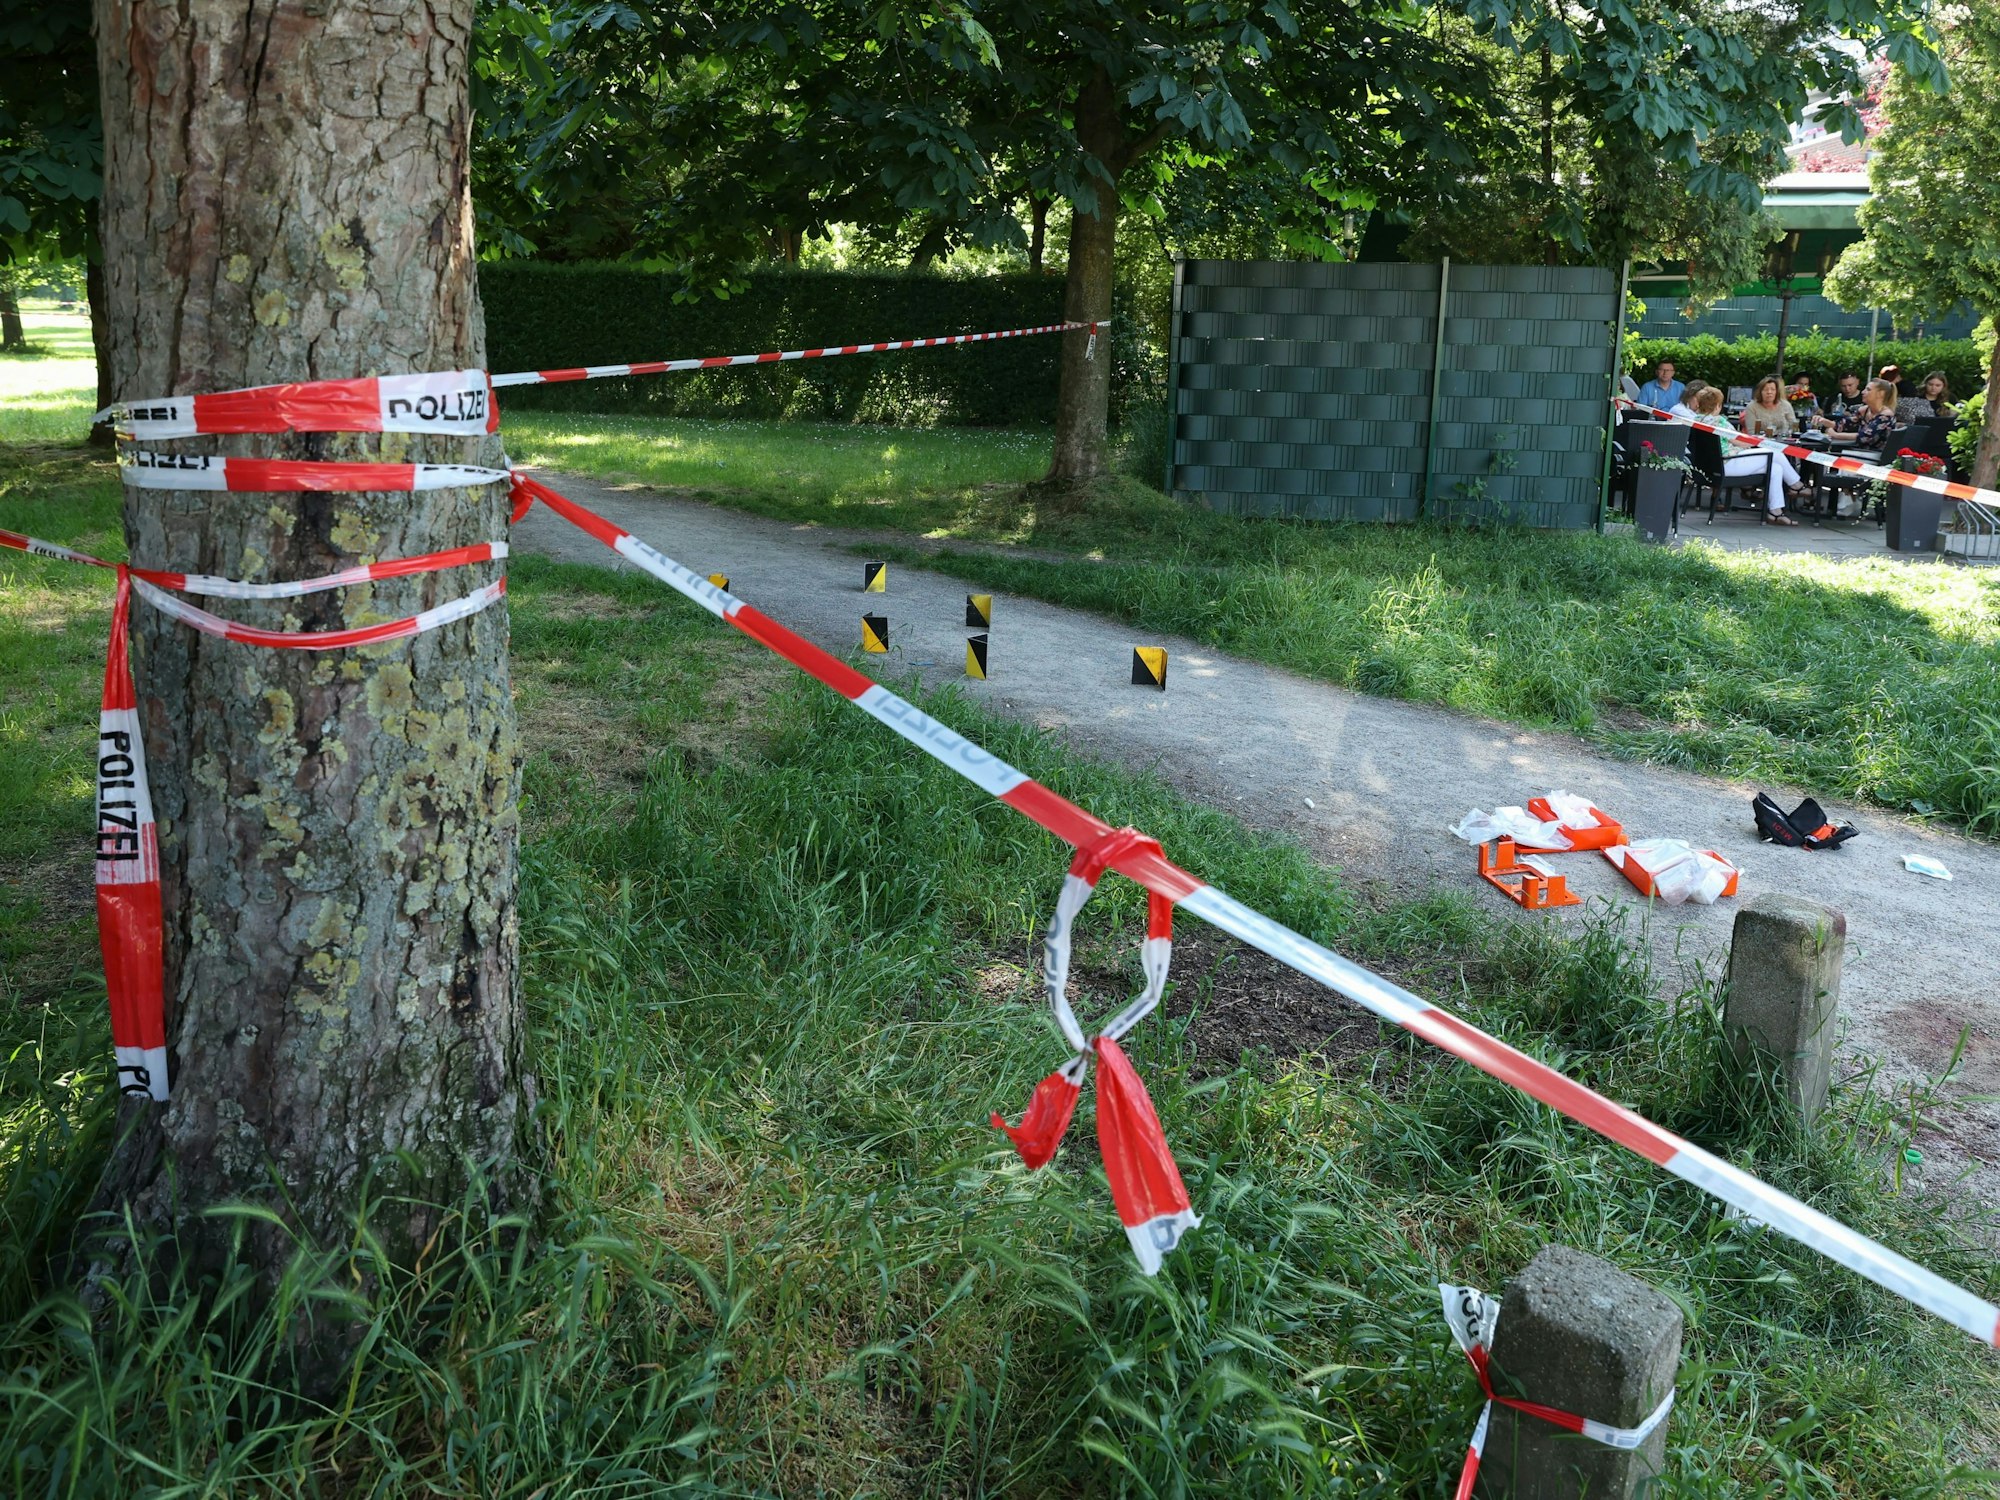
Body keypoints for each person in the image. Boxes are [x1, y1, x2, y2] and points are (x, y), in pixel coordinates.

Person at [1689, 386, 1804, 525]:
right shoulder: (1719, 421)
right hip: (1727, 464)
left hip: (1709, 467)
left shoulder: (1696, 421)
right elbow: (1740, 442)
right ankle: (1797, 486)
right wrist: (1759, 440)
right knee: (1775, 452)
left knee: (1775, 468)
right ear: (1718, 406)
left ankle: (1775, 512)